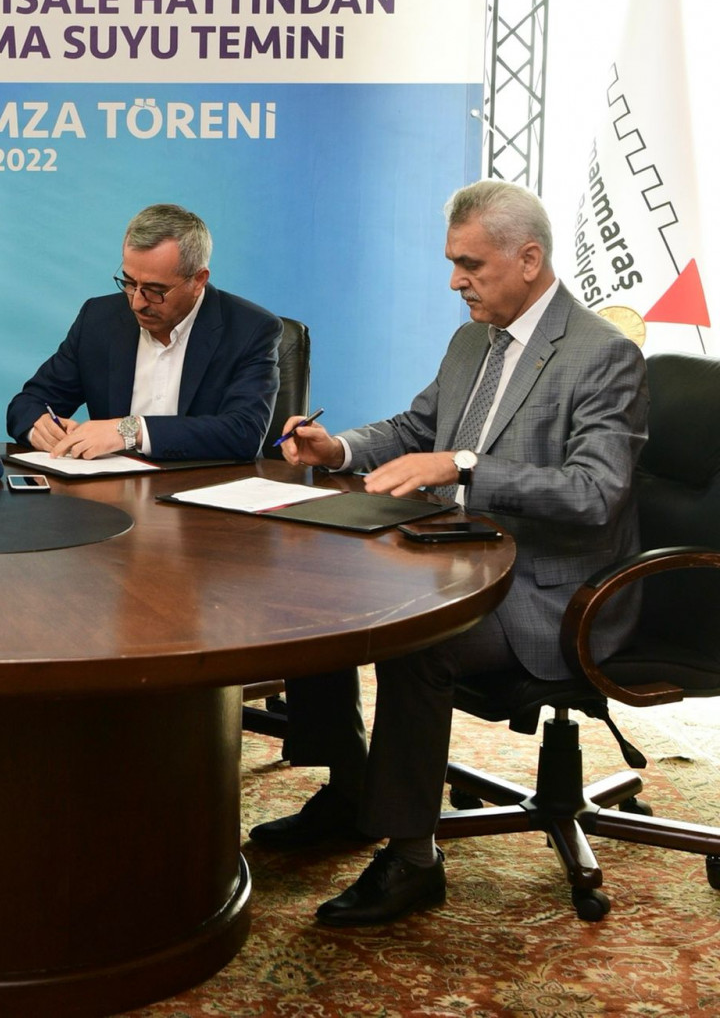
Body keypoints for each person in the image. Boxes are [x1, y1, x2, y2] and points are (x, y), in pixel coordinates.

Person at [254, 179, 648, 926]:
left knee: (418, 640)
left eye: (470, 264)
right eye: (452, 263)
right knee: (328, 587)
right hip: (459, 554)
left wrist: (465, 466)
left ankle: (411, 858)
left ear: (528, 259)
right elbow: (416, 428)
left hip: (553, 590)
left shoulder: (604, 355)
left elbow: (595, 493)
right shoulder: (474, 339)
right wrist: (338, 448)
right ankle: (350, 792)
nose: (454, 281)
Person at [6, 203, 281, 460]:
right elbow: (28, 403)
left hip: (205, 489)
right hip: (111, 488)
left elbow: (244, 432)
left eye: (155, 290)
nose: (137, 302)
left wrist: (130, 430)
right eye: (128, 283)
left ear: (198, 280)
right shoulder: (98, 319)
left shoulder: (250, 329)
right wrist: (39, 426)